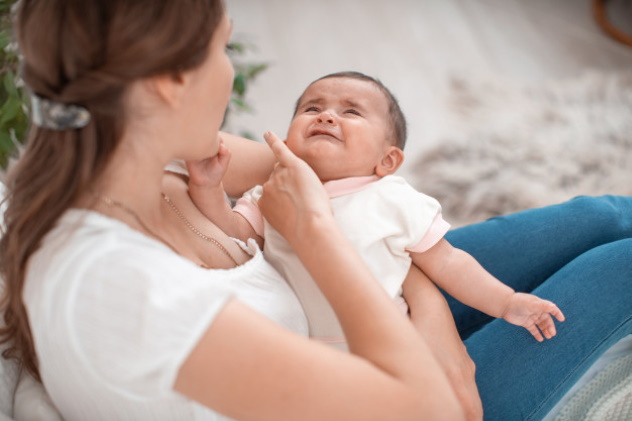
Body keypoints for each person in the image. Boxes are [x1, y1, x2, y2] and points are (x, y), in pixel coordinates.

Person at [0, 2, 630, 421]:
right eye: (222, 49)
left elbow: (338, 197)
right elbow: (427, 408)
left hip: (380, 311)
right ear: (170, 82)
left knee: (600, 217)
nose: (230, 78)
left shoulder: (133, 158)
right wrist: (318, 236)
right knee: (621, 263)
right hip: (390, 390)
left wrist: (429, 310)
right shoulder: (127, 294)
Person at [187, 71, 565, 350]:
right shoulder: (271, 190)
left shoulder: (393, 198)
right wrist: (208, 188)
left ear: (387, 160)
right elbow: (235, 234)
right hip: (301, 349)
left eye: (351, 112)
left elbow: (449, 263)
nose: (326, 116)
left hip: (390, 342)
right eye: (312, 108)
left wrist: (505, 301)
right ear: (286, 142)